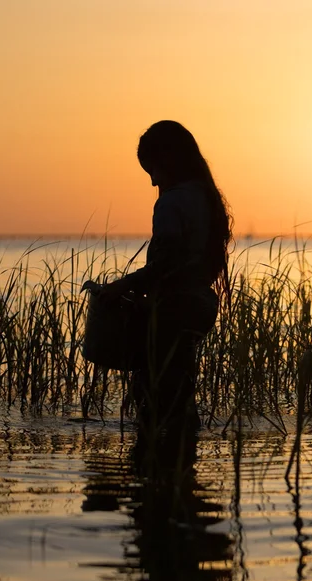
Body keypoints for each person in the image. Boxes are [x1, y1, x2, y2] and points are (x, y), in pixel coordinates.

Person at [92, 120, 231, 471]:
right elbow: (195, 265)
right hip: (201, 306)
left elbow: (166, 263)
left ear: (167, 159)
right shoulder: (206, 198)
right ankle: (183, 474)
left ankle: (157, 482)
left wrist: (122, 286)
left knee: (153, 395)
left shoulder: (171, 203)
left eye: (151, 170)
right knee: (179, 392)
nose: (153, 181)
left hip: (173, 310)